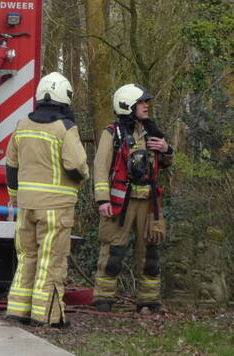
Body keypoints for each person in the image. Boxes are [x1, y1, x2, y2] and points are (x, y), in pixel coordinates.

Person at [4, 71, 88, 327]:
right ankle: (47, 315)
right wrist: (81, 176)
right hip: (55, 206)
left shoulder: (22, 125)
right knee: (51, 260)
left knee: (27, 257)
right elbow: (76, 165)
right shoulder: (65, 128)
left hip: (26, 205)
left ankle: (18, 310)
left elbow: (11, 166)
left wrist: (15, 196)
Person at [92, 84, 172, 313]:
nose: (146, 106)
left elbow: (166, 163)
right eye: (141, 103)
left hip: (149, 204)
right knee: (113, 252)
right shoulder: (112, 133)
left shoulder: (153, 132)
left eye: (146, 102)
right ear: (128, 105)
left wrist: (166, 149)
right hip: (120, 204)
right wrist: (102, 200)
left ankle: (149, 300)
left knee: (151, 252)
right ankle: (103, 299)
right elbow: (100, 167)